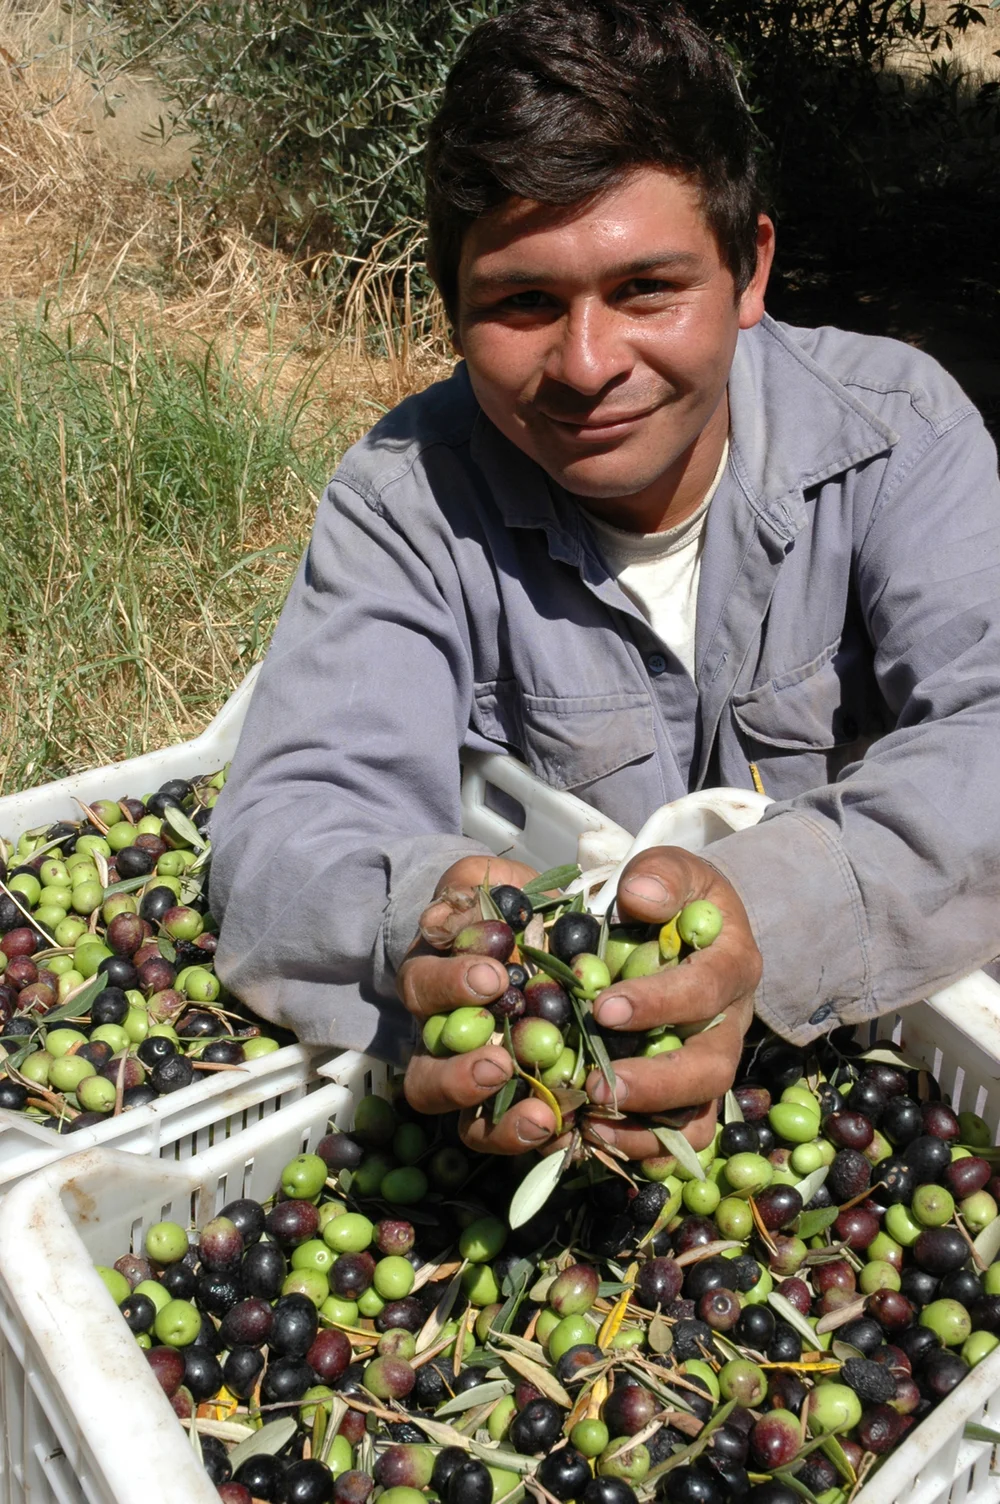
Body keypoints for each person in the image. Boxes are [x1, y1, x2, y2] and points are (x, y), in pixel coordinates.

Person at [209, 0, 1000, 1160]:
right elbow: (284, 831)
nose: (587, 367)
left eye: (646, 289)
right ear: (456, 310)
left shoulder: (896, 433)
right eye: (524, 303)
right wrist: (429, 930)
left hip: (877, 1015)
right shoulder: (405, 502)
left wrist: (767, 911)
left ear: (749, 271)